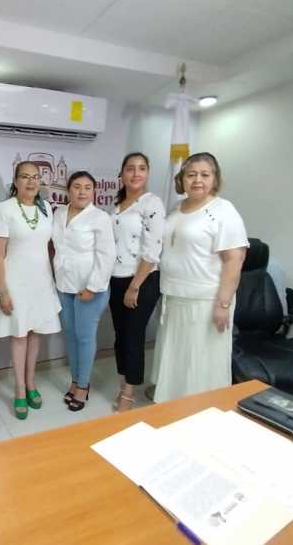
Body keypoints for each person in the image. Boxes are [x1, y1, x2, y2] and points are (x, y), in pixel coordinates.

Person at [153, 152, 248, 403]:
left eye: (205, 174)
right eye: (191, 174)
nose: (197, 180)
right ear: (182, 179)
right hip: (174, 298)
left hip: (206, 302)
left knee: (200, 366)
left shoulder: (223, 210)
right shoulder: (177, 208)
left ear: (215, 179)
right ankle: (171, 408)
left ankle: (200, 414)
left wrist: (223, 304)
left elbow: (234, 259)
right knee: (177, 361)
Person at [0, 161, 61, 420]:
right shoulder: (4, 209)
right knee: (19, 335)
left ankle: (31, 383)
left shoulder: (46, 209)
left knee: (36, 334)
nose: (31, 182)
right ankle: (19, 389)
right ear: (15, 181)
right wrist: (3, 291)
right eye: (25, 177)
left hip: (41, 281)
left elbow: (49, 247)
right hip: (16, 282)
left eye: (35, 177)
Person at [52, 171, 115, 411]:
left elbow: (106, 255)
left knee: (85, 337)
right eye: (77, 187)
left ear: (94, 191)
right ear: (68, 190)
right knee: (71, 335)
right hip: (64, 285)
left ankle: (83, 386)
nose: (81, 191)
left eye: (87, 187)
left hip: (89, 288)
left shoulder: (99, 218)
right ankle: (75, 379)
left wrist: (92, 287)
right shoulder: (58, 213)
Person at [109, 152, 165, 412]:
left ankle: (129, 394)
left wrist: (135, 286)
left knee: (133, 337)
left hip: (141, 280)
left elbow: (152, 249)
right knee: (120, 337)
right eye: (130, 168)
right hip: (117, 278)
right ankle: (123, 384)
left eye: (142, 168)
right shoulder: (117, 206)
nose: (135, 173)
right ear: (121, 174)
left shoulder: (151, 203)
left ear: (148, 173)